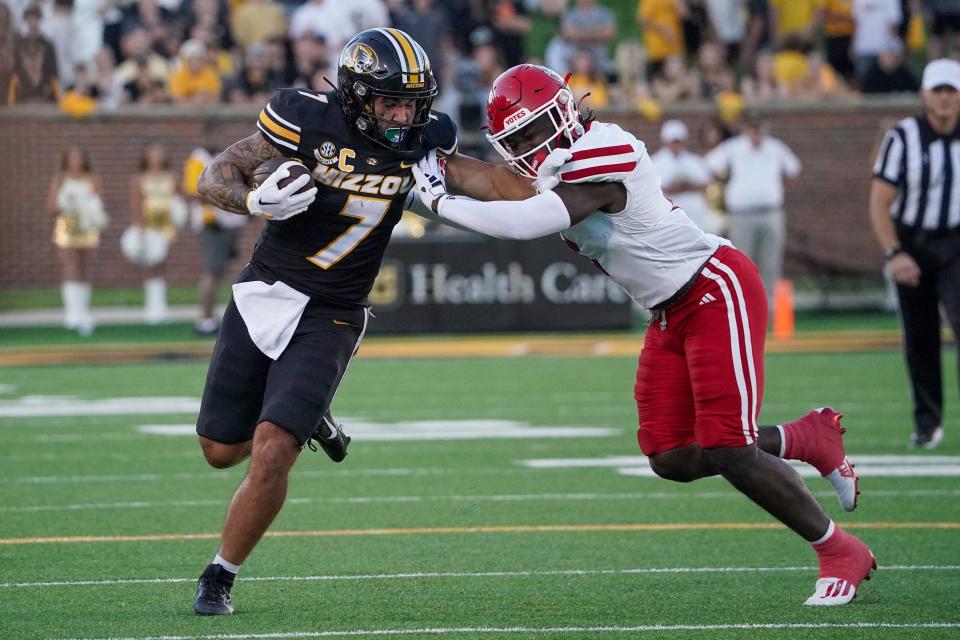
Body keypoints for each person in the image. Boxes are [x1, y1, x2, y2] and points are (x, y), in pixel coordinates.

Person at [410, 63, 873, 606]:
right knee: (671, 455)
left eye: (535, 130)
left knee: (726, 445)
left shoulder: (607, 150)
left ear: (563, 111)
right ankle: (808, 437)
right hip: (669, 311)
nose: (530, 146)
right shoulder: (553, 163)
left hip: (714, 289)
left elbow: (526, 221)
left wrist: (434, 201)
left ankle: (839, 550)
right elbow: (494, 182)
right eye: (517, 139)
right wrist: (421, 162)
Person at [190, 28, 486, 616]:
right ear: (354, 95)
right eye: (390, 101)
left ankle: (219, 576)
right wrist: (253, 202)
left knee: (274, 447)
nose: (404, 115)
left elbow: (479, 179)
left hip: (334, 311)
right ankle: (305, 410)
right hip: (266, 291)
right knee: (221, 451)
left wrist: (552, 202)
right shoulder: (304, 119)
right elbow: (214, 176)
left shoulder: (425, 139)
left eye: (413, 102)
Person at [869, 58, 960, 450]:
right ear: (923, 94)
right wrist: (894, 252)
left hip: (957, 243)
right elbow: (879, 201)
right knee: (919, 337)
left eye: (951, 91)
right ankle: (928, 424)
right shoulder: (903, 137)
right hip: (914, 244)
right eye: (937, 90)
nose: (943, 99)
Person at [704, 116, 801, 303]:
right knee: (742, 264)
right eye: (753, 128)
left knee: (771, 264)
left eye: (759, 128)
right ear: (746, 129)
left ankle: (771, 312)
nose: (756, 133)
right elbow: (709, 164)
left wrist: (772, 187)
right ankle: (745, 307)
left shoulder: (775, 147)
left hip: (771, 212)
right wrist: (727, 180)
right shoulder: (734, 148)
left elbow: (794, 168)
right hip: (742, 214)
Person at [182, 135, 249, 336]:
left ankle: (212, 316)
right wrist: (224, 194)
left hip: (227, 223)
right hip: (212, 223)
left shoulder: (222, 157)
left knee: (220, 272)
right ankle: (205, 319)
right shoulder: (199, 159)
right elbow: (194, 191)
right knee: (211, 272)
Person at [47, 145, 108, 336]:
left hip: (87, 228)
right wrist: (67, 203)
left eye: (79, 156)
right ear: (66, 159)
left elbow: (99, 203)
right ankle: (71, 313)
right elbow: (52, 206)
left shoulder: (93, 178)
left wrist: (89, 206)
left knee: (85, 269)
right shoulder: (60, 178)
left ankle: (84, 311)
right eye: (72, 157)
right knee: (71, 268)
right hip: (67, 229)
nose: (76, 160)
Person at [129, 142, 182, 324]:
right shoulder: (139, 178)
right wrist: (140, 229)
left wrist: (178, 216)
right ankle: (150, 307)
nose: (156, 157)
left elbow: (179, 199)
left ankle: (161, 307)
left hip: (165, 227)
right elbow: (137, 205)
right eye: (152, 153)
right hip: (149, 227)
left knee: (162, 264)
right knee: (150, 265)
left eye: (159, 153)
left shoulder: (172, 177)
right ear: (146, 157)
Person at [651, 119, 725, 236]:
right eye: (673, 142)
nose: (675, 145)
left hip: (696, 219)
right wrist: (676, 187)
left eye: (678, 141)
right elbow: (653, 189)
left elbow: (706, 184)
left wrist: (686, 185)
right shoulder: (655, 162)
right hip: (669, 221)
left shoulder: (694, 161)